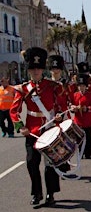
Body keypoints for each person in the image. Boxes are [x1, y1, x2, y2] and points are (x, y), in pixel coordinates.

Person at [10, 47, 69, 206]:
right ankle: (36, 193)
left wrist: (59, 116)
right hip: (32, 131)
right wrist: (20, 126)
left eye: (38, 68)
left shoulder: (53, 86)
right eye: (32, 68)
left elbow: (62, 105)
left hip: (50, 129)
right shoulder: (23, 89)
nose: (36, 71)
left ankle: (51, 194)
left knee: (51, 164)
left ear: (43, 69)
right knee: (31, 163)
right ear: (29, 70)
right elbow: (14, 111)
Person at [70, 74, 91, 159]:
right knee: (79, 139)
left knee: (89, 139)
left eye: (83, 86)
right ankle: (80, 153)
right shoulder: (75, 95)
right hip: (78, 121)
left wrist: (87, 109)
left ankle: (88, 153)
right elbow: (71, 105)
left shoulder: (90, 95)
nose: (81, 88)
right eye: (80, 86)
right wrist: (73, 108)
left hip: (88, 121)